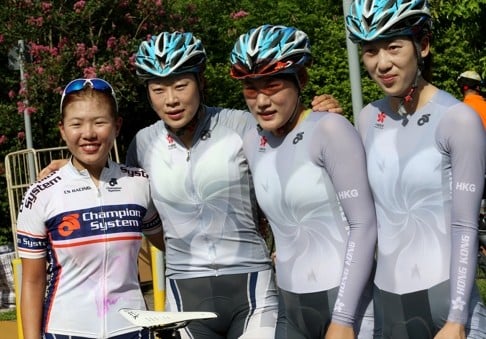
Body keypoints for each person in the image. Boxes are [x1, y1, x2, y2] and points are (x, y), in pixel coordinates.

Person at [37, 32, 342, 339]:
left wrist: (316, 117)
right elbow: (117, 179)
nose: (171, 99)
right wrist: (72, 167)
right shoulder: (143, 143)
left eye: (181, 85)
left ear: (202, 82)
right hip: (183, 293)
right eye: (158, 89)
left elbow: (290, 146)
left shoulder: (241, 125)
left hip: (253, 288)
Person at [345, 1, 486, 338]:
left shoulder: (458, 119)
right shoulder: (366, 119)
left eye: (394, 47)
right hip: (388, 304)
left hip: (449, 305)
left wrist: (456, 318)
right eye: (370, 51)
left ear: (422, 45)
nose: (382, 64)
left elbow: (465, 225)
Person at [229, 24, 377, 339]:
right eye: (251, 88)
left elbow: (364, 225)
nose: (261, 101)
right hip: (291, 306)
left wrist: (344, 319)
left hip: (349, 307)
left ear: (302, 81)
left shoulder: (330, 129)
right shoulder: (251, 141)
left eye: (273, 85)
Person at [15, 78, 165, 339]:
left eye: (99, 122)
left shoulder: (140, 184)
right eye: (76, 124)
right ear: (62, 130)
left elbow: (171, 245)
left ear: (117, 126)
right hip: (66, 331)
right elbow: (32, 281)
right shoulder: (41, 194)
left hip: (132, 329)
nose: (88, 133)